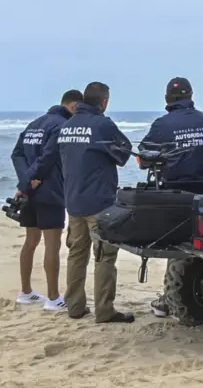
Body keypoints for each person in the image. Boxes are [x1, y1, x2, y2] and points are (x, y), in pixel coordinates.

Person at [26, 81, 135, 323]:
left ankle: (75, 306)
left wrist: (28, 181)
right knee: (104, 256)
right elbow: (124, 152)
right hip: (100, 203)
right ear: (104, 102)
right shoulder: (103, 125)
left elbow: (49, 157)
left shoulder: (68, 125)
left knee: (77, 255)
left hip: (73, 201)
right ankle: (104, 310)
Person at [137, 77, 203, 317]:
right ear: (191, 96)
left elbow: (142, 157)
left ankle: (170, 298)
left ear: (166, 100)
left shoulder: (163, 124)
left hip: (175, 192)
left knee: (178, 246)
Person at [9, 88, 82, 310]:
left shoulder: (34, 124)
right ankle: (53, 298)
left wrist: (25, 183)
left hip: (29, 193)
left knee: (30, 242)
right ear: (73, 106)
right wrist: (33, 178)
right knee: (52, 244)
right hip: (50, 191)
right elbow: (48, 157)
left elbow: (17, 153)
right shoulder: (61, 125)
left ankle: (26, 291)